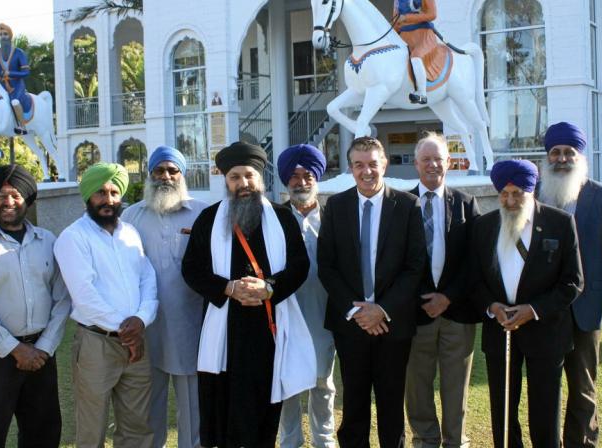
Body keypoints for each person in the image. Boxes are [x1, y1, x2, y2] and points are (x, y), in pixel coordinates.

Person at [182, 141, 314, 448]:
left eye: (249, 175)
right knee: (224, 413)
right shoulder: (208, 219)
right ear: (226, 181)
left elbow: (299, 265)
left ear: (260, 178)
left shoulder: (282, 218)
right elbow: (191, 269)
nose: (242, 183)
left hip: (267, 331)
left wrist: (269, 288)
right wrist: (228, 288)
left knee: (262, 415)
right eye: (234, 177)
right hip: (224, 330)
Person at [318, 136, 426, 448]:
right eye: (359, 165)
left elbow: (414, 265)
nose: (367, 172)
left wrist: (381, 309)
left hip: (393, 322)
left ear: (385, 165)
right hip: (350, 324)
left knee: (391, 402)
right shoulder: (336, 206)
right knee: (354, 401)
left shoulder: (407, 205)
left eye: (373, 164)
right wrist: (358, 312)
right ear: (350, 168)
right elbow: (327, 266)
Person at [470, 160, 584, 448]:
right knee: (503, 410)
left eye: (517, 193)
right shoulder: (484, 226)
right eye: (504, 194)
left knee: (545, 411)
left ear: (531, 190)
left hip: (546, 332)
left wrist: (532, 311)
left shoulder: (560, 223)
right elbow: (473, 280)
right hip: (500, 331)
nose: (509, 201)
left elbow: (573, 282)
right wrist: (493, 307)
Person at [0, 164, 70, 447]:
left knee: (43, 434)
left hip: (41, 354)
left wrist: (43, 348)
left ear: (28, 200)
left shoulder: (47, 241)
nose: (8, 202)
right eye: (1, 196)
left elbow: (62, 299)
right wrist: (15, 349)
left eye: (16, 196)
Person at [537, 122, 602, 448]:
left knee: (582, 387)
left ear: (580, 156)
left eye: (568, 152)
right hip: (543, 310)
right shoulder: (533, 194)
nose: (561, 159)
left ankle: (581, 444)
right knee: (545, 386)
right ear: (547, 156)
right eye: (555, 152)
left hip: (585, 310)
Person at [54, 162, 158, 447]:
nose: (109, 200)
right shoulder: (73, 237)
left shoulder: (130, 234)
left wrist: (141, 320)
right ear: (87, 195)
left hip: (137, 341)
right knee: (92, 428)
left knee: (138, 425)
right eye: (101, 192)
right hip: (96, 344)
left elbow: (147, 279)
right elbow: (85, 296)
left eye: (114, 192)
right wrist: (128, 332)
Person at [121, 147, 207, 448]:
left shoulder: (203, 213)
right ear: (149, 174)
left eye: (173, 170)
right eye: (159, 171)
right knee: (148, 410)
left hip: (191, 325)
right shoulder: (130, 216)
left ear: (182, 175)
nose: (166, 177)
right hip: (146, 328)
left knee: (194, 410)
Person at [405, 133, 481, 448]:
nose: (433, 165)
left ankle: (455, 441)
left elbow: (474, 261)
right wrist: (425, 298)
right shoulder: (401, 205)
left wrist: (447, 297)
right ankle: (425, 439)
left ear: (449, 163)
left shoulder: (465, 204)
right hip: (415, 314)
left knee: (456, 386)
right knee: (417, 386)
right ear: (416, 163)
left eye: (439, 159)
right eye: (427, 159)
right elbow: (395, 261)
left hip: (457, 313)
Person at [276, 144, 337, 448]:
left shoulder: (334, 217)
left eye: (307, 175)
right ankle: (289, 441)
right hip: (286, 312)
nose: (300, 182)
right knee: (287, 382)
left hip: (324, 310)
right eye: (294, 176)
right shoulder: (274, 218)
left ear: (316, 178)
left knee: (322, 381)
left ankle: (324, 439)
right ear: (286, 181)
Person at [393, 0, 444, 104]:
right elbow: (396, 19)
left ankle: (422, 93)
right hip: (404, 36)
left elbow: (432, 14)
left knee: (416, 57)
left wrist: (407, 18)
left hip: (423, 35)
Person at [0, 23, 32, 135]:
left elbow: (26, 72)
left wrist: (11, 73)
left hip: (17, 85)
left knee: (14, 101)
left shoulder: (19, 53)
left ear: (10, 36)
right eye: (0, 34)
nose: (3, 36)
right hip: (1, 85)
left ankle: (22, 126)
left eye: (5, 34)